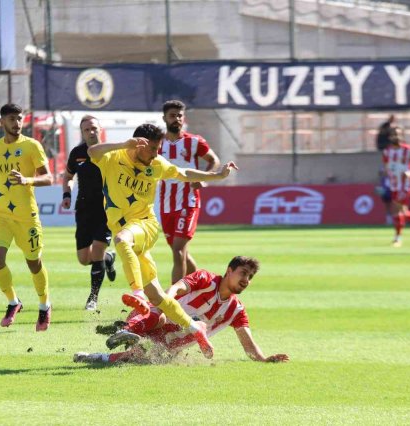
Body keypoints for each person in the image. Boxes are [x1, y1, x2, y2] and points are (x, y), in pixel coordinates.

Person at [87, 123, 238, 359]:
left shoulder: (156, 165)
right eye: (154, 148)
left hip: (145, 226)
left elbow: (184, 173)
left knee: (121, 240)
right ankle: (194, 327)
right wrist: (123, 144)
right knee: (157, 295)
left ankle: (136, 294)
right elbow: (92, 152)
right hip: (130, 232)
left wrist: (217, 175)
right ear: (140, 144)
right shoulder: (113, 157)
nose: (157, 154)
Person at [73, 256, 289, 365]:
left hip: (166, 348)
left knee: (138, 358)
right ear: (229, 271)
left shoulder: (236, 310)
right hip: (153, 319)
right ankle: (129, 328)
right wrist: (163, 301)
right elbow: (177, 288)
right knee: (160, 312)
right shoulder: (205, 279)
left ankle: (92, 356)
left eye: (250, 277)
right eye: (243, 273)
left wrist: (264, 359)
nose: (246, 280)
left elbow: (247, 343)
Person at [0, 103, 53, 331]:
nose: (17, 123)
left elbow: (49, 178)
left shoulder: (32, 146)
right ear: (2, 122)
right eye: (12, 119)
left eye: (20, 119)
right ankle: (13, 302)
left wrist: (26, 180)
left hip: (27, 216)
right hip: (1, 214)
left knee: (34, 263)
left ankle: (44, 305)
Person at [159, 100, 221, 284]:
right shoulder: (158, 143)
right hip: (166, 205)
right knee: (180, 253)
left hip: (188, 202)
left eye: (179, 115)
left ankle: (174, 302)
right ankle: (208, 285)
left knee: (178, 253)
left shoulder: (194, 141)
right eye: (172, 115)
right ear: (164, 118)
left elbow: (214, 160)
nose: (176, 119)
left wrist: (203, 179)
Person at [62, 115, 117, 311]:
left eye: (94, 128)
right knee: (84, 259)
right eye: (87, 130)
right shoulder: (77, 153)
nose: (91, 132)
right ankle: (109, 259)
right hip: (84, 209)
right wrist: (66, 193)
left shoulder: (111, 152)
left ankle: (93, 298)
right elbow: (68, 175)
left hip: (106, 210)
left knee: (97, 251)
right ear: (82, 133)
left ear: (100, 129)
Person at [375, 115, 395, 225]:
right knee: (387, 203)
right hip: (386, 187)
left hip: (393, 187)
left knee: (394, 203)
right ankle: (388, 219)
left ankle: (394, 218)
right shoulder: (384, 165)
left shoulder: (393, 165)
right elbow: (381, 174)